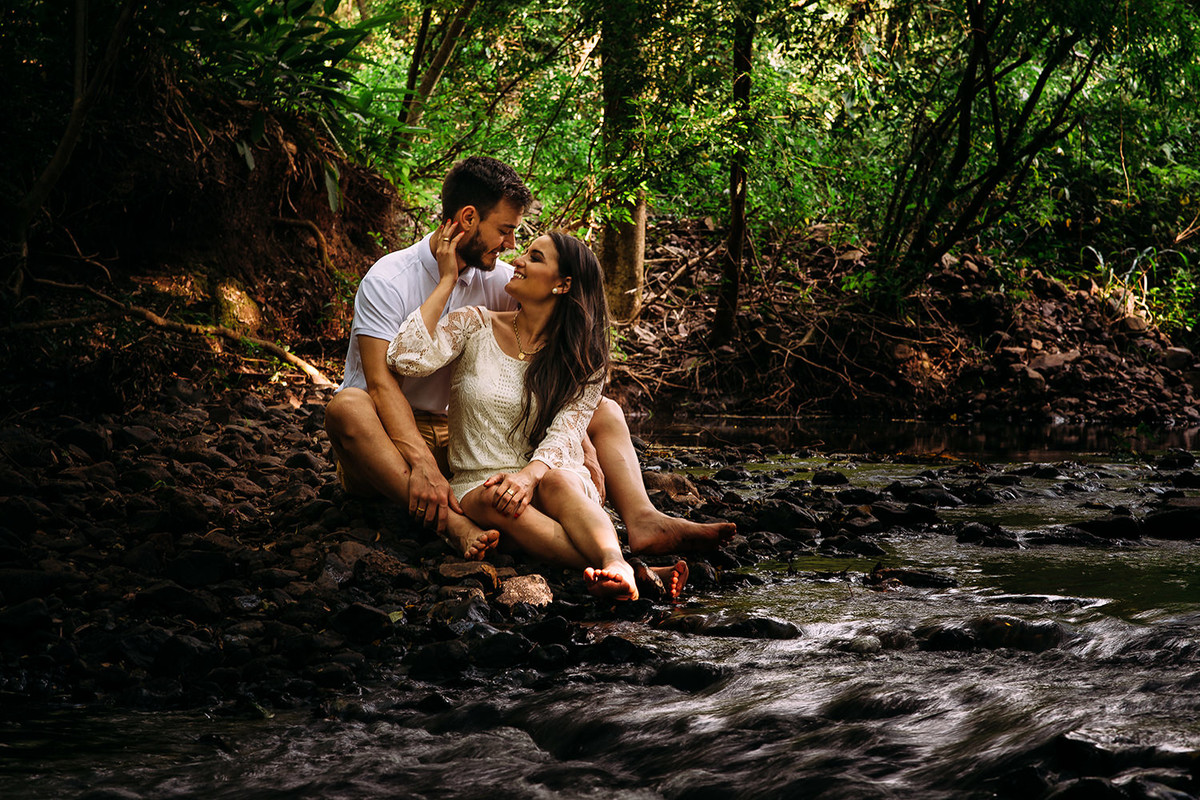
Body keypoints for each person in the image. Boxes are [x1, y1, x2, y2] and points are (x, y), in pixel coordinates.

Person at [323, 156, 734, 562]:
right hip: (387, 436)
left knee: (604, 410)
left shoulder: (503, 280)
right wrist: (421, 461)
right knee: (348, 406)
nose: (512, 247)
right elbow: (380, 381)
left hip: (462, 432)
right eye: (505, 231)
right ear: (468, 219)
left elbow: (545, 359)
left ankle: (643, 518)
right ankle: (452, 523)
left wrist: (580, 444)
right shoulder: (388, 279)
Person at [387, 226, 686, 600]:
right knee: (496, 495)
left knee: (558, 480)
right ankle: (628, 568)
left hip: (551, 478)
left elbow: (566, 431)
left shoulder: (582, 357)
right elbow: (404, 358)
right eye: (524, 252)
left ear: (562, 284)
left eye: (534, 257)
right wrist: (447, 280)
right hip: (479, 482)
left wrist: (529, 477)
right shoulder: (473, 323)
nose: (518, 260)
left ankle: (613, 561)